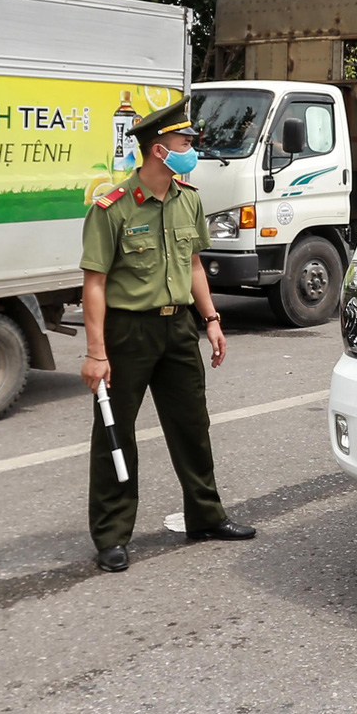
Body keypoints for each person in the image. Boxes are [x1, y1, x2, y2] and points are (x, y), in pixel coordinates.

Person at [79, 100, 255, 572]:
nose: (192, 148)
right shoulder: (112, 208)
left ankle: (206, 516)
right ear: (159, 150)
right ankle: (112, 535)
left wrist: (211, 319)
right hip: (128, 331)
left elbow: (194, 264)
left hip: (178, 328)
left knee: (192, 425)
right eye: (184, 142)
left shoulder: (188, 198)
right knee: (116, 432)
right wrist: (96, 353)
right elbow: (94, 284)